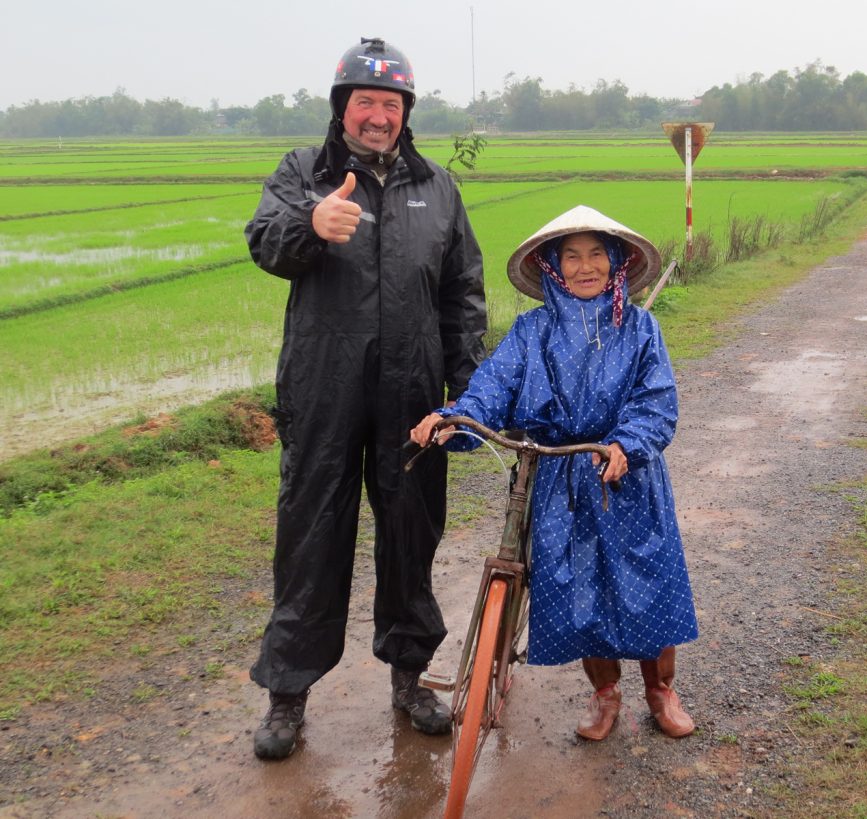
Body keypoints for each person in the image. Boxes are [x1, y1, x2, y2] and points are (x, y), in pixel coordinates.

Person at [244, 36, 487, 760]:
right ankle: (288, 693)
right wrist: (310, 226)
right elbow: (264, 240)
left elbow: (463, 292)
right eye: (365, 102)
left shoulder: (438, 186)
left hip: (412, 389)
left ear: (406, 111)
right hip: (323, 385)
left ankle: (410, 678)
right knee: (312, 531)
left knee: (411, 532)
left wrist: (467, 387)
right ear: (341, 108)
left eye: (390, 103)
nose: (377, 115)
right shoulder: (305, 173)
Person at [410, 205, 698, 742]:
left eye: (595, 254)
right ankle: (604, 694)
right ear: (552, 266)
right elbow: (493, 385)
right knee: (579, 588)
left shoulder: (638, 327)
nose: (584, 267)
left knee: (647, 583)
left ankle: (660, 691)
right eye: (571, 256)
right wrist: (456, 418)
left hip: (624, 476)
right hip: (558, 480)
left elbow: (657, 401)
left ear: (615, 262)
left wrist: (626, 444)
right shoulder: (531, 331)